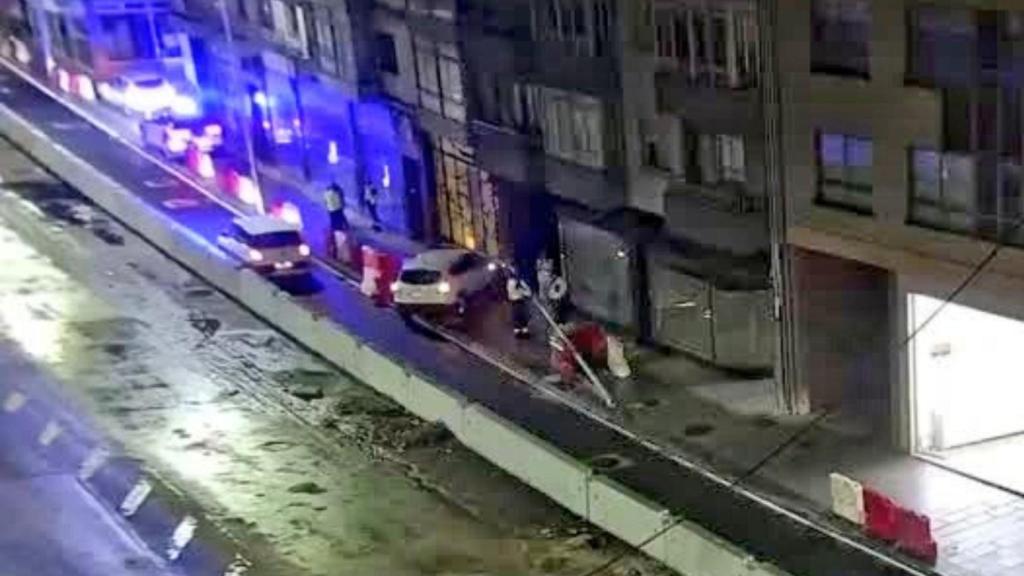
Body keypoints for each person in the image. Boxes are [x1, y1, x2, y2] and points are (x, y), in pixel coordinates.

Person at [506, 270, 532, 339]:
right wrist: (522, 290)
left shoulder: (512, 282)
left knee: (518, 318)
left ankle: (520, 332)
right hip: (518, 302)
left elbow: (528, 292)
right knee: (520, 317)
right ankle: (522, 332)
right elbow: (528, 293)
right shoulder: (515, 282)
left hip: (517, 302)